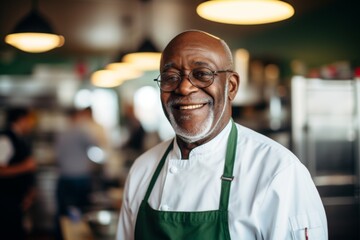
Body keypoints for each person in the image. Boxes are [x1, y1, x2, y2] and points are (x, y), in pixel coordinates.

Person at [116, 30, 328, 239]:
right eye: (170, 77)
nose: (184, 88)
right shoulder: (142, 170)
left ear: (231, 86)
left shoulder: (278, 172)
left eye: (202, 74)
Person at [54, 108, 99, 240]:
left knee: (64, 214)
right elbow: (95, 146)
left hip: (64, 178)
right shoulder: (82, 131)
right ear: (78, 116)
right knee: (81, 212)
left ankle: (63, 236)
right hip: (80, 177)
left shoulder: (61, 133)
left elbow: (57, 156)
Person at [0, 108, 37, 240]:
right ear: (22, 119)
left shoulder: (20, 138)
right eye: (30, 120)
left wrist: (28, 192)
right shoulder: (5, 139)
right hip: (5, 201)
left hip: (16, 200)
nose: (31, 124)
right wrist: (25, 167)